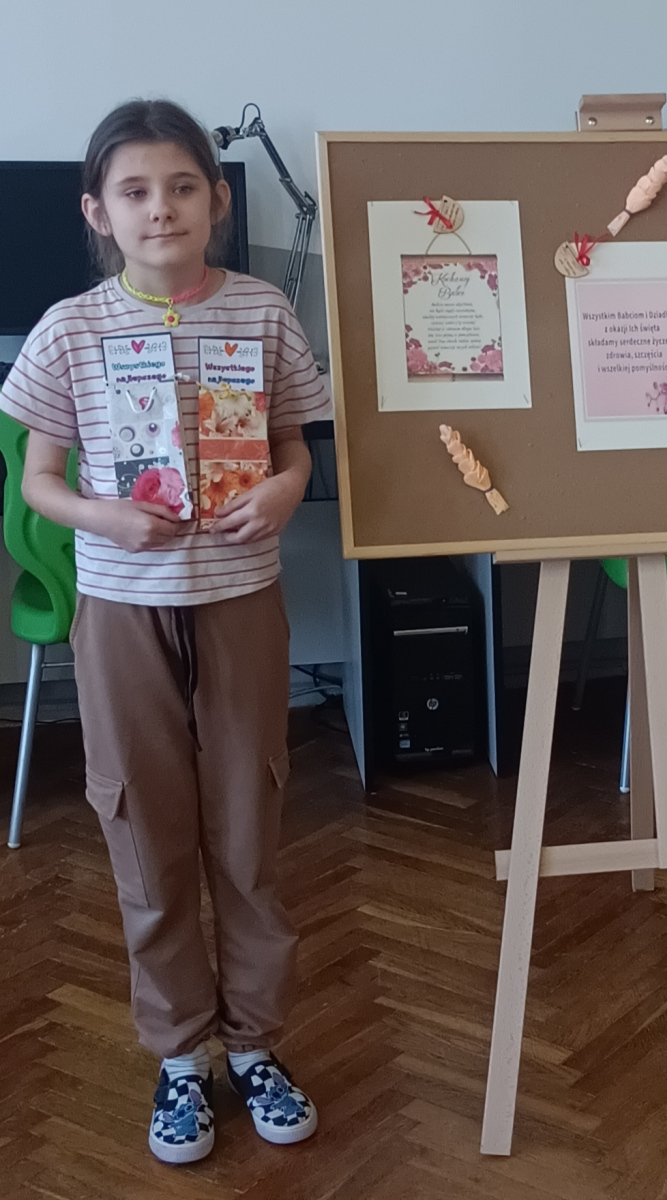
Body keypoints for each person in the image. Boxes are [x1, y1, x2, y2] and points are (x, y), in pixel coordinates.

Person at [0, 99, 332, 1163]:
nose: (162, 208)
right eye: (136, 191)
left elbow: (295, 448)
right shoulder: (70, 329)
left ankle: (256, 1042)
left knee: (247, 821)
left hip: (239, 600)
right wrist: (105, 516)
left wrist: (284, 489)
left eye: (183, 186)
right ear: (98, 211)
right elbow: (39, 480)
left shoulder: (263, 312)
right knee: (143, 827)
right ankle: (182, 1053)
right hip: (121, 610)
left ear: (218, 200)